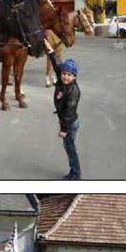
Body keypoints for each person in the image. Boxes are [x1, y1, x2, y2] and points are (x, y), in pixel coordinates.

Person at [47, 45, 81, 179]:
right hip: (67, 122)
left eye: (69, 75)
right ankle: (74, 171)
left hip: (70, 123)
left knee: (70, 149)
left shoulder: (73, 91)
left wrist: (64, 129)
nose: (65, 77)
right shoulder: (63, 82)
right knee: (69, 147)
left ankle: (76, 174)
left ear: (74, 77)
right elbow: (57, 64)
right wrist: (50, 50)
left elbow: (69, 112)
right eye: (64, 74)